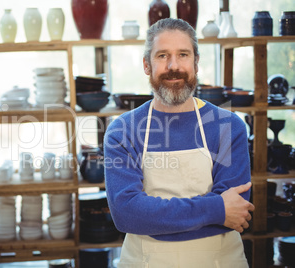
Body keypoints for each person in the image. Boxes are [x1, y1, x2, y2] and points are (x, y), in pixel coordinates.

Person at [104, 18, 255, 267]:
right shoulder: (123, 131)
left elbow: (236, 210)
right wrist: (217, 209)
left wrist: (154, 217)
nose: (174, 66)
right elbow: (127, 214)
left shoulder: (228, 126)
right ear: (146, 65)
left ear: (196, 62)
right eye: (162, 55)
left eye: (183, 55)